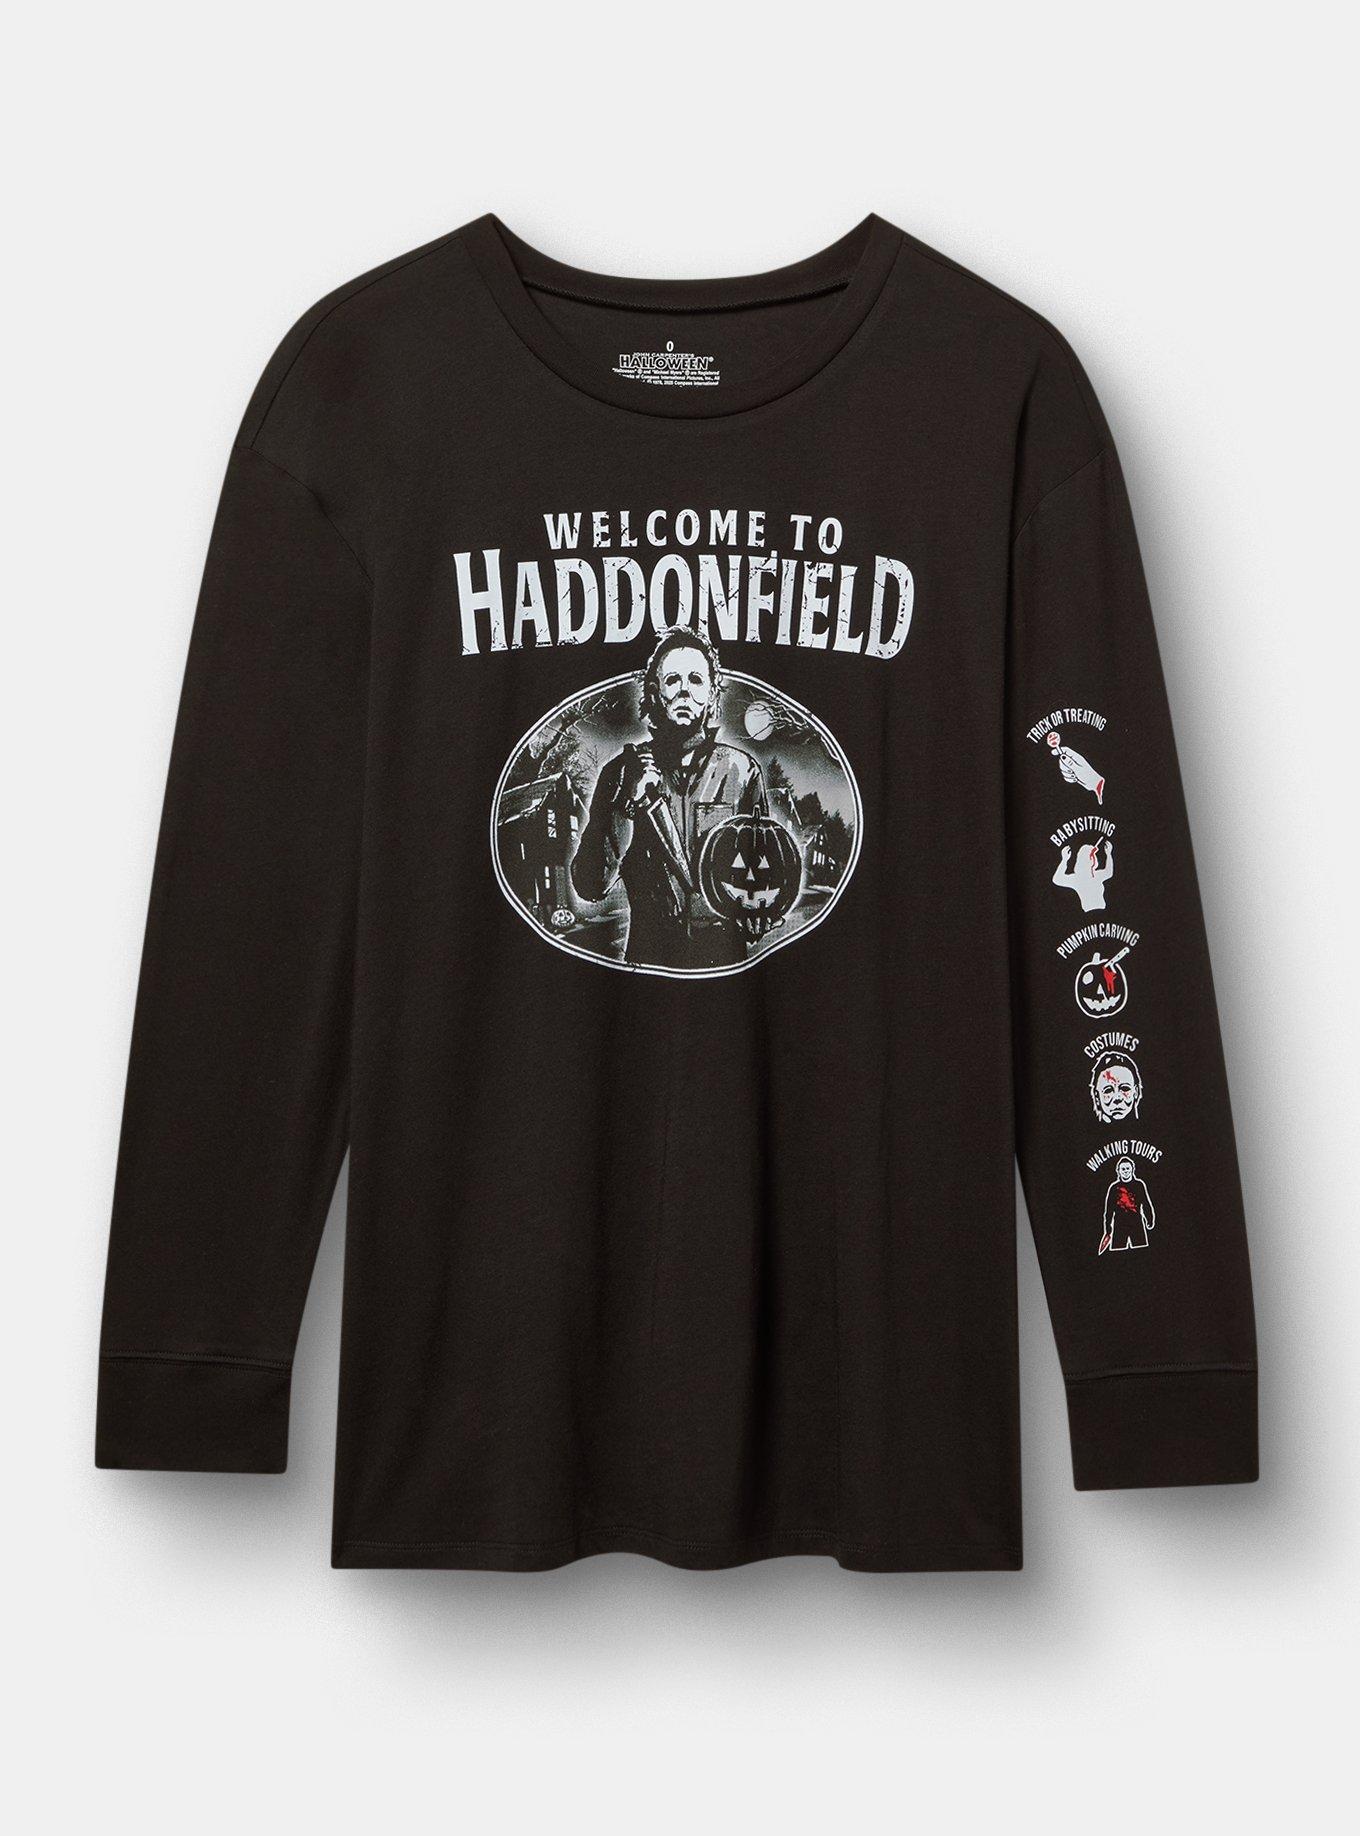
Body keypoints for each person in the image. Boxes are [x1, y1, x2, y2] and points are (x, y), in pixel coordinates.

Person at [571, 630, 767, 970]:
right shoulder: (620, 773)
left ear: (711, 693)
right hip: (649, 964)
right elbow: (589, 886)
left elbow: (762, 870)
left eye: (696, 680)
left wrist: (759, 913)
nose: (684, 691)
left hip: (724, 967)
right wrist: (626, 805)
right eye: (673, 680)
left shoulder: (742, 770)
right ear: (654, 691)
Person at [1100, 1156, 1157, 1254]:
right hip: (1119, 1224)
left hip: (1137, 1222)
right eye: (1123, 1169)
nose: (1125, 1171)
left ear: (1132, 1169)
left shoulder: (1139, 1185)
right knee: (1117, 1251)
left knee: (1142, 1251)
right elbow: (1109, 1210)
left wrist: (1149, 1219)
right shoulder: (1114, 1188)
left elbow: (1146, 1203)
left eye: (1127, 1168)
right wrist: (1108, 1229)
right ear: (1118, 1171)